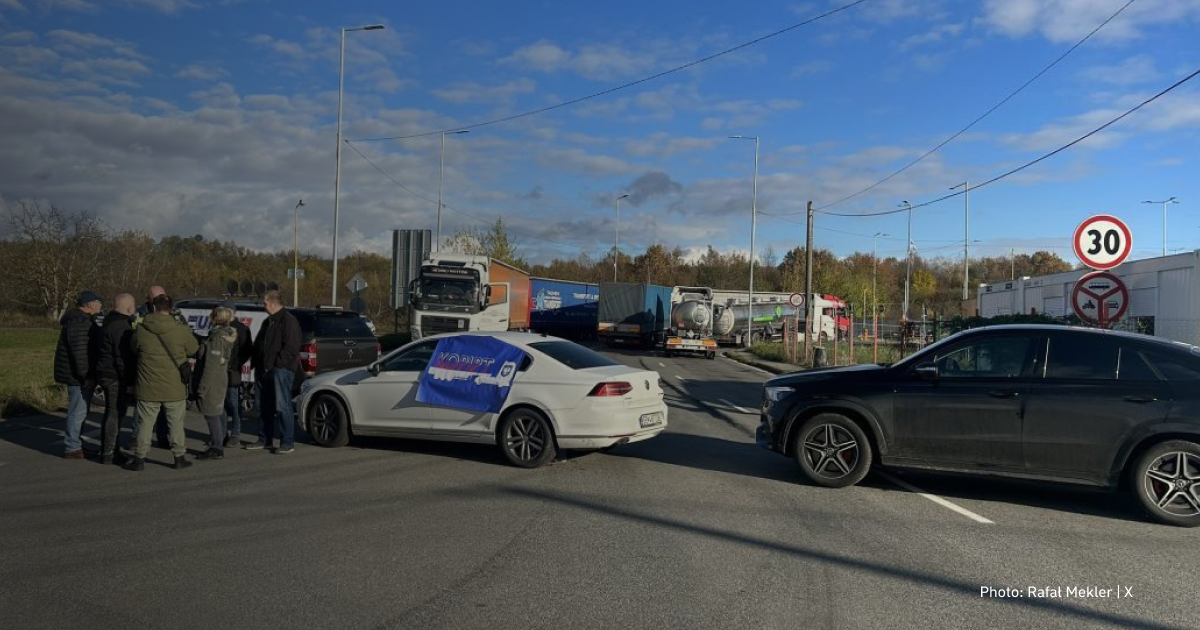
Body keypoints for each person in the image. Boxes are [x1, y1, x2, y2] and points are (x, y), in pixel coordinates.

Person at [124, 294, 199, 471]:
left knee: (145, 424)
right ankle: (179, 457)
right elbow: (194, 349)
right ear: (171, 308)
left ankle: (139, 459)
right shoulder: (180, 329)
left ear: (153, 307)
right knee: (176, 424)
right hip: (174, 386)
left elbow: (133, 348)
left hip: (147, 385)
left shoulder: (142, 330)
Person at [128, 285, 182, 450]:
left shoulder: (175, 313)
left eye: (162, 296)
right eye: (156, 297)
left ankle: (163, 437)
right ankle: (136, 438)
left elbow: (184, 334)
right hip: (147, 366)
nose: (160, 300)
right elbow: (134, 337)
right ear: (149, 299)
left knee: (166, 409)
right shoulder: (140, 313)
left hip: (168, 368)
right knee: (143, 409)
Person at [248, 290, 301, 454]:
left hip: (280, 370)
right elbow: (259, 344)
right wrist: (256, 363)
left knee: (282, 406)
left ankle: (287, 442)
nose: (263, 306)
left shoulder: (288, 321)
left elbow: (291, 347)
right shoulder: (268, 322)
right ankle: (264, 439)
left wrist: (278, 365)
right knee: (264, 406)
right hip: (264, 370)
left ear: (273, 303)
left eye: (264, 303)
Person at [53, 290, 103, 459]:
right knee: (78, 412)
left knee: (80, 411)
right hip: (77, 377)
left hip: (77, 375)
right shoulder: (79, 322)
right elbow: (80, 354)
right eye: (98, 302)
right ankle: (72, 447)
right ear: (89, 304)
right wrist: (86, 376)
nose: (101, 305)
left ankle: (76, 444)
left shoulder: (80, 320)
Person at [95, 293, 137, 465]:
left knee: (112, 412)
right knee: (115, 413)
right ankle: (109, 452)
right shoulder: (122, 327)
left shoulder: (108, 322)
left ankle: (110, 450)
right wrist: (129, 382)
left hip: (105, 372)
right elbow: (123, 358)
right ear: (129, 308)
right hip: (115, 376)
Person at [195, 306, 238, 460]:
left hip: (213, 381)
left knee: (211, 414)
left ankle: (216, 447)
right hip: (218, 378)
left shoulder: (217, 338)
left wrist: (202, 387)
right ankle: (216, 445)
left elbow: (211, 366)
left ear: (215, 318)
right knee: (213, 414)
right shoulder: (222, 335)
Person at [221, 300, 253, 448]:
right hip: (218, 373)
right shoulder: (218, 327)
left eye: (226, 310)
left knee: (234, 404)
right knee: (219, 405)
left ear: (232, 312)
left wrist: (235, 364)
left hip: (233, 372)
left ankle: (235, 434)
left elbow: (246, 351)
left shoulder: (242, 329)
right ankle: (220, 434)